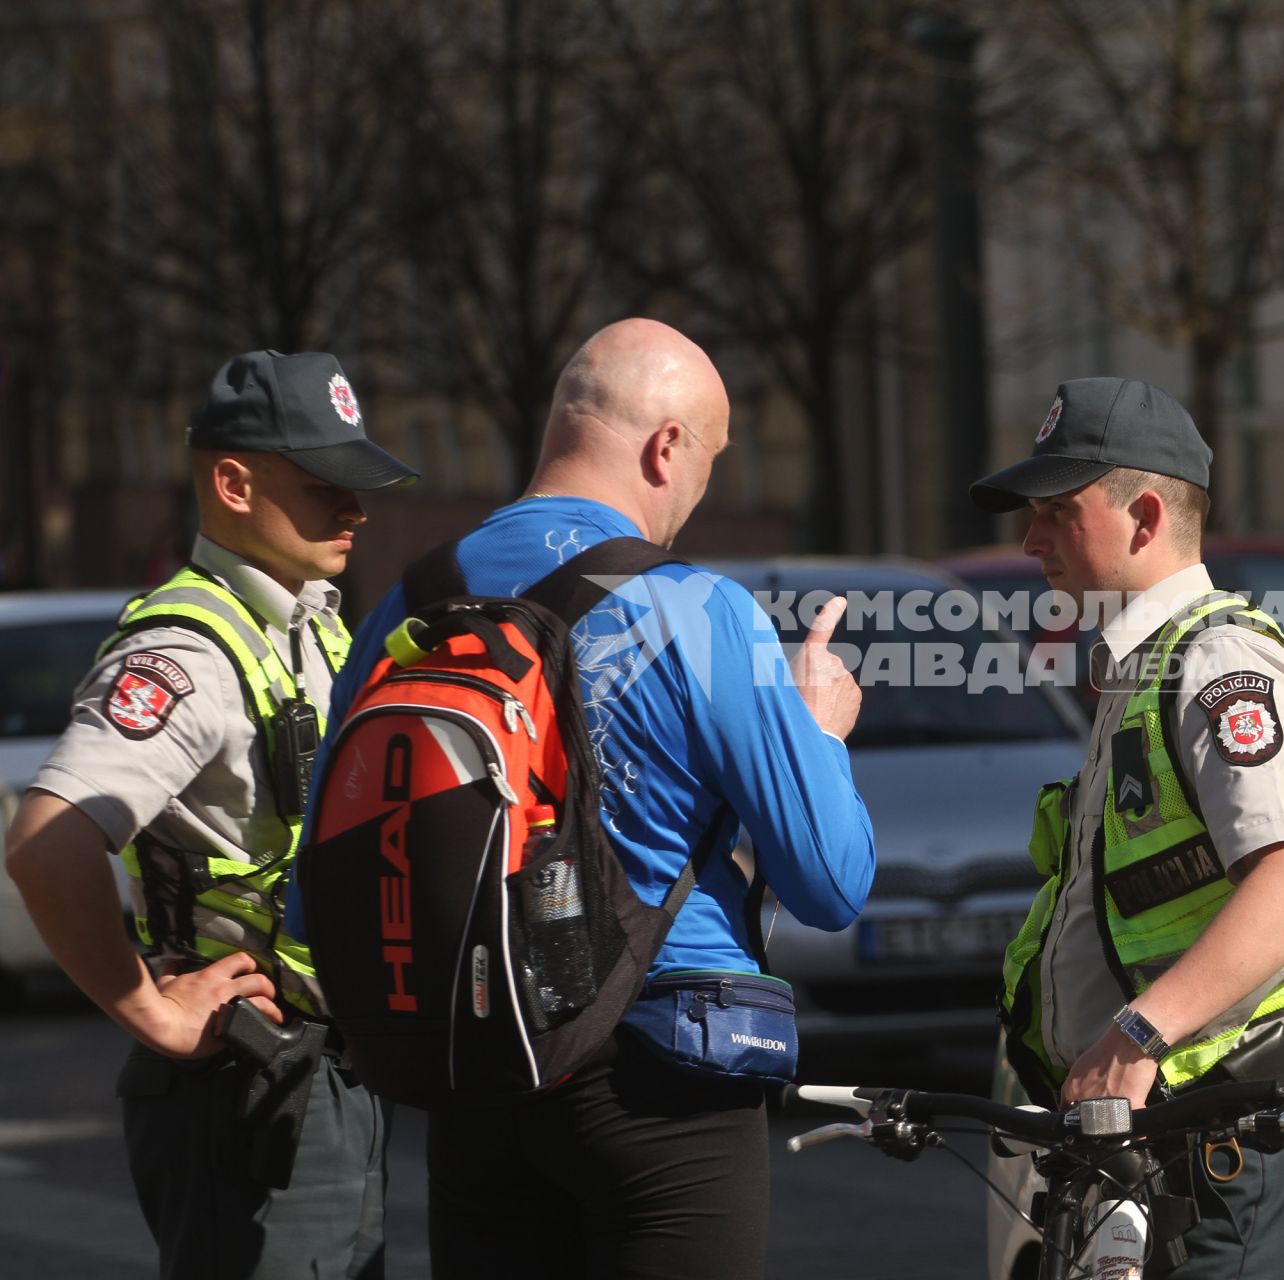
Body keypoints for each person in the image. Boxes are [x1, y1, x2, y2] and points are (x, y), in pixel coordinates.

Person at [302, 318, 876, 1280]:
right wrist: (816, 730)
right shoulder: (700, 609)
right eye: (709, 460)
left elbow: (316, 885)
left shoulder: (407, 606)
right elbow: (829, 881)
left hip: (475, 1068)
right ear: (666, 448)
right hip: (665, 1082)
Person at [3, 350, 417, 1279]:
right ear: (233, 483)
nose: (353, 510)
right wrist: (150, 1011)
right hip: (246, 1083)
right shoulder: (183, 656)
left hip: (319, 1074)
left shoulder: (310, 622)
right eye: (325, 487)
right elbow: (44, 844)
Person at [973, 378, 1284, 1280]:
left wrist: (1135, 1037)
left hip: (1224, 1146)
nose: (1031, 540)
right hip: (1155, 1142)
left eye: (1058, 513)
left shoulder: (1220, 663)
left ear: (1144, 516)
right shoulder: (1143, 669)